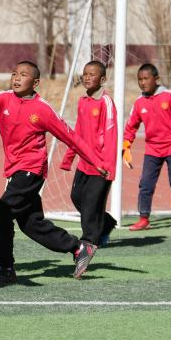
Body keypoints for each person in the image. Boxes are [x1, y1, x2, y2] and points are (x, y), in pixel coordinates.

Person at [0, 61, 107, 281]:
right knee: (31, 224)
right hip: (15, 170)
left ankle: (5, 269)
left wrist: (95, 160)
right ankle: (78, 247)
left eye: (23, 75)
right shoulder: (1, 100)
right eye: (14, 73)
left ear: (35, 82)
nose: (17, 78)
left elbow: (69, 136)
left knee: (2, 211)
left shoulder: (42, 109)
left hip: (32, 169)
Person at [122, 63, 171, 232]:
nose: (143, 82)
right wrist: (126, 146)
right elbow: (131, 127)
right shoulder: (139, 103)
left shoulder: (169, 96)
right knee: (145, 184)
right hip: (153, 149)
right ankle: (144, 218)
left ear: (156, 79)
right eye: (140, 79)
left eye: (146, 78)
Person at [60, 60, 118, 248]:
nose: (87, 77)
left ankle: (89, 241)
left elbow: (111, 134)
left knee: (91, 203)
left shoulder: (106, 102)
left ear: (102, 79)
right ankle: (106, 223)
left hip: (101, 165)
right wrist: (69, 158)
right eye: (85, 74)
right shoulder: (83, 101)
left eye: (92, 74)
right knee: (76, 197)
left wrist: (107, 166)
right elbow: (78, 132)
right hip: (85, 162)